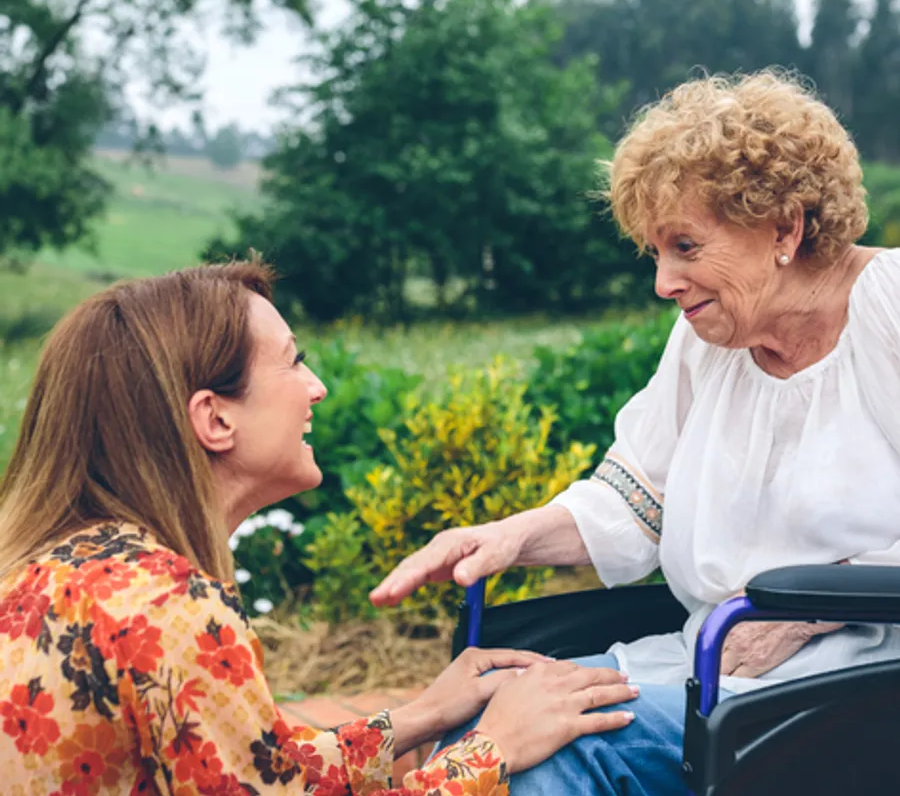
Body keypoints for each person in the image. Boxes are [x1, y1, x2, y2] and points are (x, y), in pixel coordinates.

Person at [370, 70, 900, 795]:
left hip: (858, 685)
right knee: (493, 720)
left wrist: (803, 611)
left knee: (553, 753)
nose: (663, 282)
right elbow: (638, 497)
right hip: (711, 664)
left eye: (685, 245)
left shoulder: (889, 311)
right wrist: (510, 535)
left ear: (784, 226)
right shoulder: (709, 337)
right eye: (655, 252)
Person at [0, 260, 639, 793]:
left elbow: (254, 772)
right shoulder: (166, 608)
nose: (318, 387)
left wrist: (420, 717)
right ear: (215, 419)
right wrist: (492, 749)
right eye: (292, 361)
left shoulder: (65, 566)